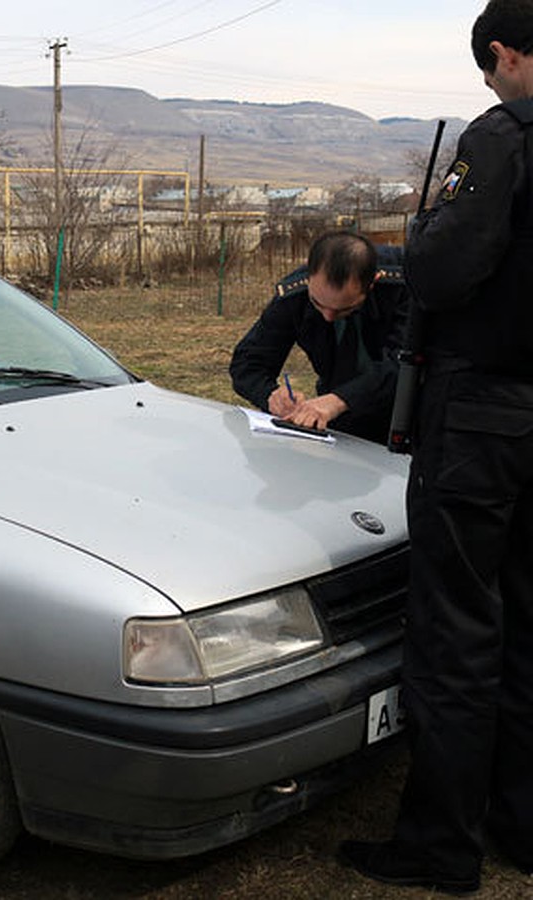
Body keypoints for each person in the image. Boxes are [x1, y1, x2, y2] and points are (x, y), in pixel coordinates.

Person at [338, 1, 533, 894]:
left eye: (489, 72)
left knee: (456, 627)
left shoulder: (501, 138)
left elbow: (448, 268)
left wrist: (418, 240)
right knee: (526, 624)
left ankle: (440, 845)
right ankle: (518, 822)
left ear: (502, 55)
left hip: (484, 414)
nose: (490, 86)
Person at [229, 231, 407, 443]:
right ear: (310, 276)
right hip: (343, 420)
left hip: (410, 416)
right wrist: (270, 396)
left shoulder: (407, 287)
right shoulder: (295, 295)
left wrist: (339, 400)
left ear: (372, 283)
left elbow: (404, 365)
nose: (328, 316)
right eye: (318, 304)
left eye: (345, 309)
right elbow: (247, 363)